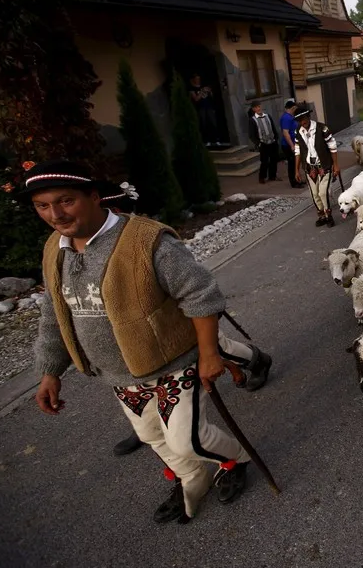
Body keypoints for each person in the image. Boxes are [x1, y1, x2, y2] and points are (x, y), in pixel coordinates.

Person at [26, 162, 262, 524]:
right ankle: (192, 478)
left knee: (188, 440)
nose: (55, 214)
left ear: (93, 196)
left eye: (65, 201)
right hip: (121, 374)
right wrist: (50, 371)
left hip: (173, 363)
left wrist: (210, 354)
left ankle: (237, 459)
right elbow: (54, 313)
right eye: (43, 206)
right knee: (153, 435)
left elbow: (201, 296)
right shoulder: (53, 249)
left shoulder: (146, 240)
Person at [94, 180, 273, 458]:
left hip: (171, 321)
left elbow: (195, 287)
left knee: (215, 347)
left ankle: (255, 359)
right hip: (128, 338)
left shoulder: (143, 239)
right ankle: (148, 421)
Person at [292, 103, 339, 228]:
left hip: (324, 165)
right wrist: (296, 170)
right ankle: (321, 215)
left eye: (304, 119)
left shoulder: (322, 129)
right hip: (309, 167)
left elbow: (333, 147)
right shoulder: (298, 132)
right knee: (315, 194)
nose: (302, 122)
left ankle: (329, 216)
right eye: (299, 120)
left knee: (323, 193)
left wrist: (336, 165)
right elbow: (297, 151)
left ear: (308, 117)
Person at [189, 73, 228, 149]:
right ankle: (207, 140)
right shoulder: (192, 89)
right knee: (204, 124)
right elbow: (196, 99)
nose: (198, 81)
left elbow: (212, 97)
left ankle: (217, 140)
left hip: (209, 107)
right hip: (201, 109)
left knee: (213, 123)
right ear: (194, 80)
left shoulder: (204, 85)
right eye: (196, 79)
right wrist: (201, 92)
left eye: (199, 79)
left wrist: (210, 91)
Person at [247, 100, 280, 184]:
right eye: (256, 107)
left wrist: (276, 138)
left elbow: (273, 127)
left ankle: (272, 176)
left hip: (272, 141)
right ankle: (262, 177)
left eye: (259, 106)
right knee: (264, 161)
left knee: (274, 159)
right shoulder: (253, 120)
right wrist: (258, 143)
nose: (258, 108)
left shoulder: (267, 116)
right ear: (253, 109)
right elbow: (251, 134)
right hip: (263, 143)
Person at [279, 98, 304, 188]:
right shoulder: (286, 118)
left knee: (296, 163)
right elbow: (285, 133)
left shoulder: (291, 117)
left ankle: (298, 179)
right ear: (292, 108)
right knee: (292, 164)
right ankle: (294, 182)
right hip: (288, 145)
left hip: (295, 143)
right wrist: (292, 146)